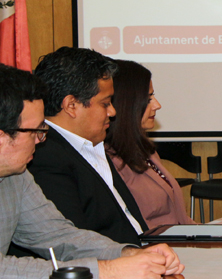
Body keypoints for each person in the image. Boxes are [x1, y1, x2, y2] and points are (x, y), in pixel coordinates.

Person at [0, 64, 184, 279]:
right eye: (36, 132)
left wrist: (130, 253)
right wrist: (108, 271)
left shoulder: (17, 175)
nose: (41, 141)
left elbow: (57, 235)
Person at [27, 47, 147, 245]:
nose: (113, 112)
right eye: (105, 103)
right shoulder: (45, 156)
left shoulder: (90, 143)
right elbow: (72, 242)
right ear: (71, 105)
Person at [105, 60, 194, 227]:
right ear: (126, 104)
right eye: (148, 99)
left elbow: (179, 219)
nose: (157, 105)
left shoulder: (145, 151)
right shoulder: (108, 162)